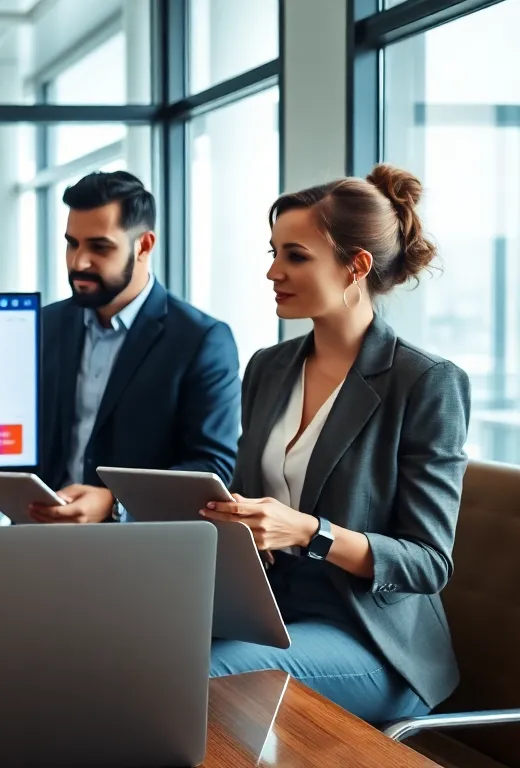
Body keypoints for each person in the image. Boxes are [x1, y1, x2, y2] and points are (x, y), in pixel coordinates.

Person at [202, 164, 470, 724]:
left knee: (201, 673)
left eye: (295, 256)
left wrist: (308, 532)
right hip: (271, 611)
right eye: (273, 253)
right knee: (127, 641)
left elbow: (427, 562)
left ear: (356, 266)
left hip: (371, 640)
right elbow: (254, 498)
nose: (274, 271)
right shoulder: (269, 368)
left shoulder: (424, 381)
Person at [31, 171, 241, 523]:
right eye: (72, 243)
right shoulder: (42, 326)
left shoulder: (201, 340)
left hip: (141, 550)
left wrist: (116, 503)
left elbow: (212, 467)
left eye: (99, 247)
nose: (78, 262)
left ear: (144, 245)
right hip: (35, 538)